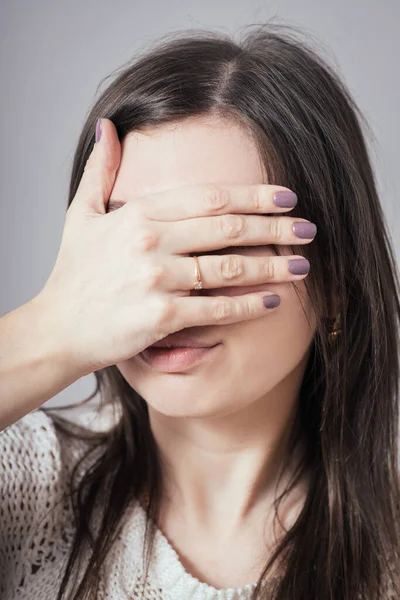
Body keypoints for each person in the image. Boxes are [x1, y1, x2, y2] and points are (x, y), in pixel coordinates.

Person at [0, 22, 399, 600]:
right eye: (139, 242)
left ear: (336, 278)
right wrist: (53, 328)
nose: (168, 293)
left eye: (222, 245)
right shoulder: (22, 480)